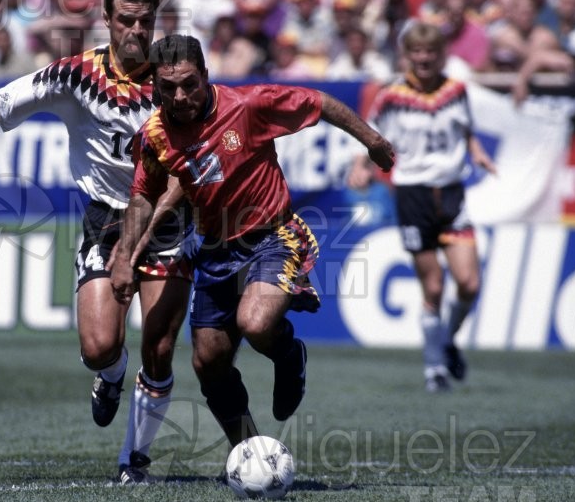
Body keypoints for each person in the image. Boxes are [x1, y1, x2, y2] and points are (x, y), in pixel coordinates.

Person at [0, 0, 192, 485]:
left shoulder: (173, 80)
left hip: (166, 221)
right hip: (107, 220)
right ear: (107, 20)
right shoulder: (76, 75)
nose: (136, 30)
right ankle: (111, 375)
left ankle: (135, 460)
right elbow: (6, 100)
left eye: (145, 21)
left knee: (161, 348)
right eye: (126, 20)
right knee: (99, 346)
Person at [109, 34, 395, 448]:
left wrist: (372, 141)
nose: (180, 96)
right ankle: (251, 451)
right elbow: (143, 195)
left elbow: (319, 102)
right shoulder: (154, 136)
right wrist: (124, 256)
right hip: (214, 250)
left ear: (205, 75)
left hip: (272, 236)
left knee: (255, 322)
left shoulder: (247, 104)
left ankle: (289, 354)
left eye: (189, 83)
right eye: (168, 87)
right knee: (208, 362)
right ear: (155, 85)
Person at [347, 21, 497, 393]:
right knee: (433, 287)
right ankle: (435, 369)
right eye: (417, 51)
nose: (424, 58)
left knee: (469, 283)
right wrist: (361, 164)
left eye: (430, 51)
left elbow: (465, 129)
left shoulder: (456, 90)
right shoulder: (392, 95)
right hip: (413, 197)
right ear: (407, 55)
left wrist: (477, 152)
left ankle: (446, 339)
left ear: (441, 54)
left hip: (451, 194)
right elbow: (371, 133)